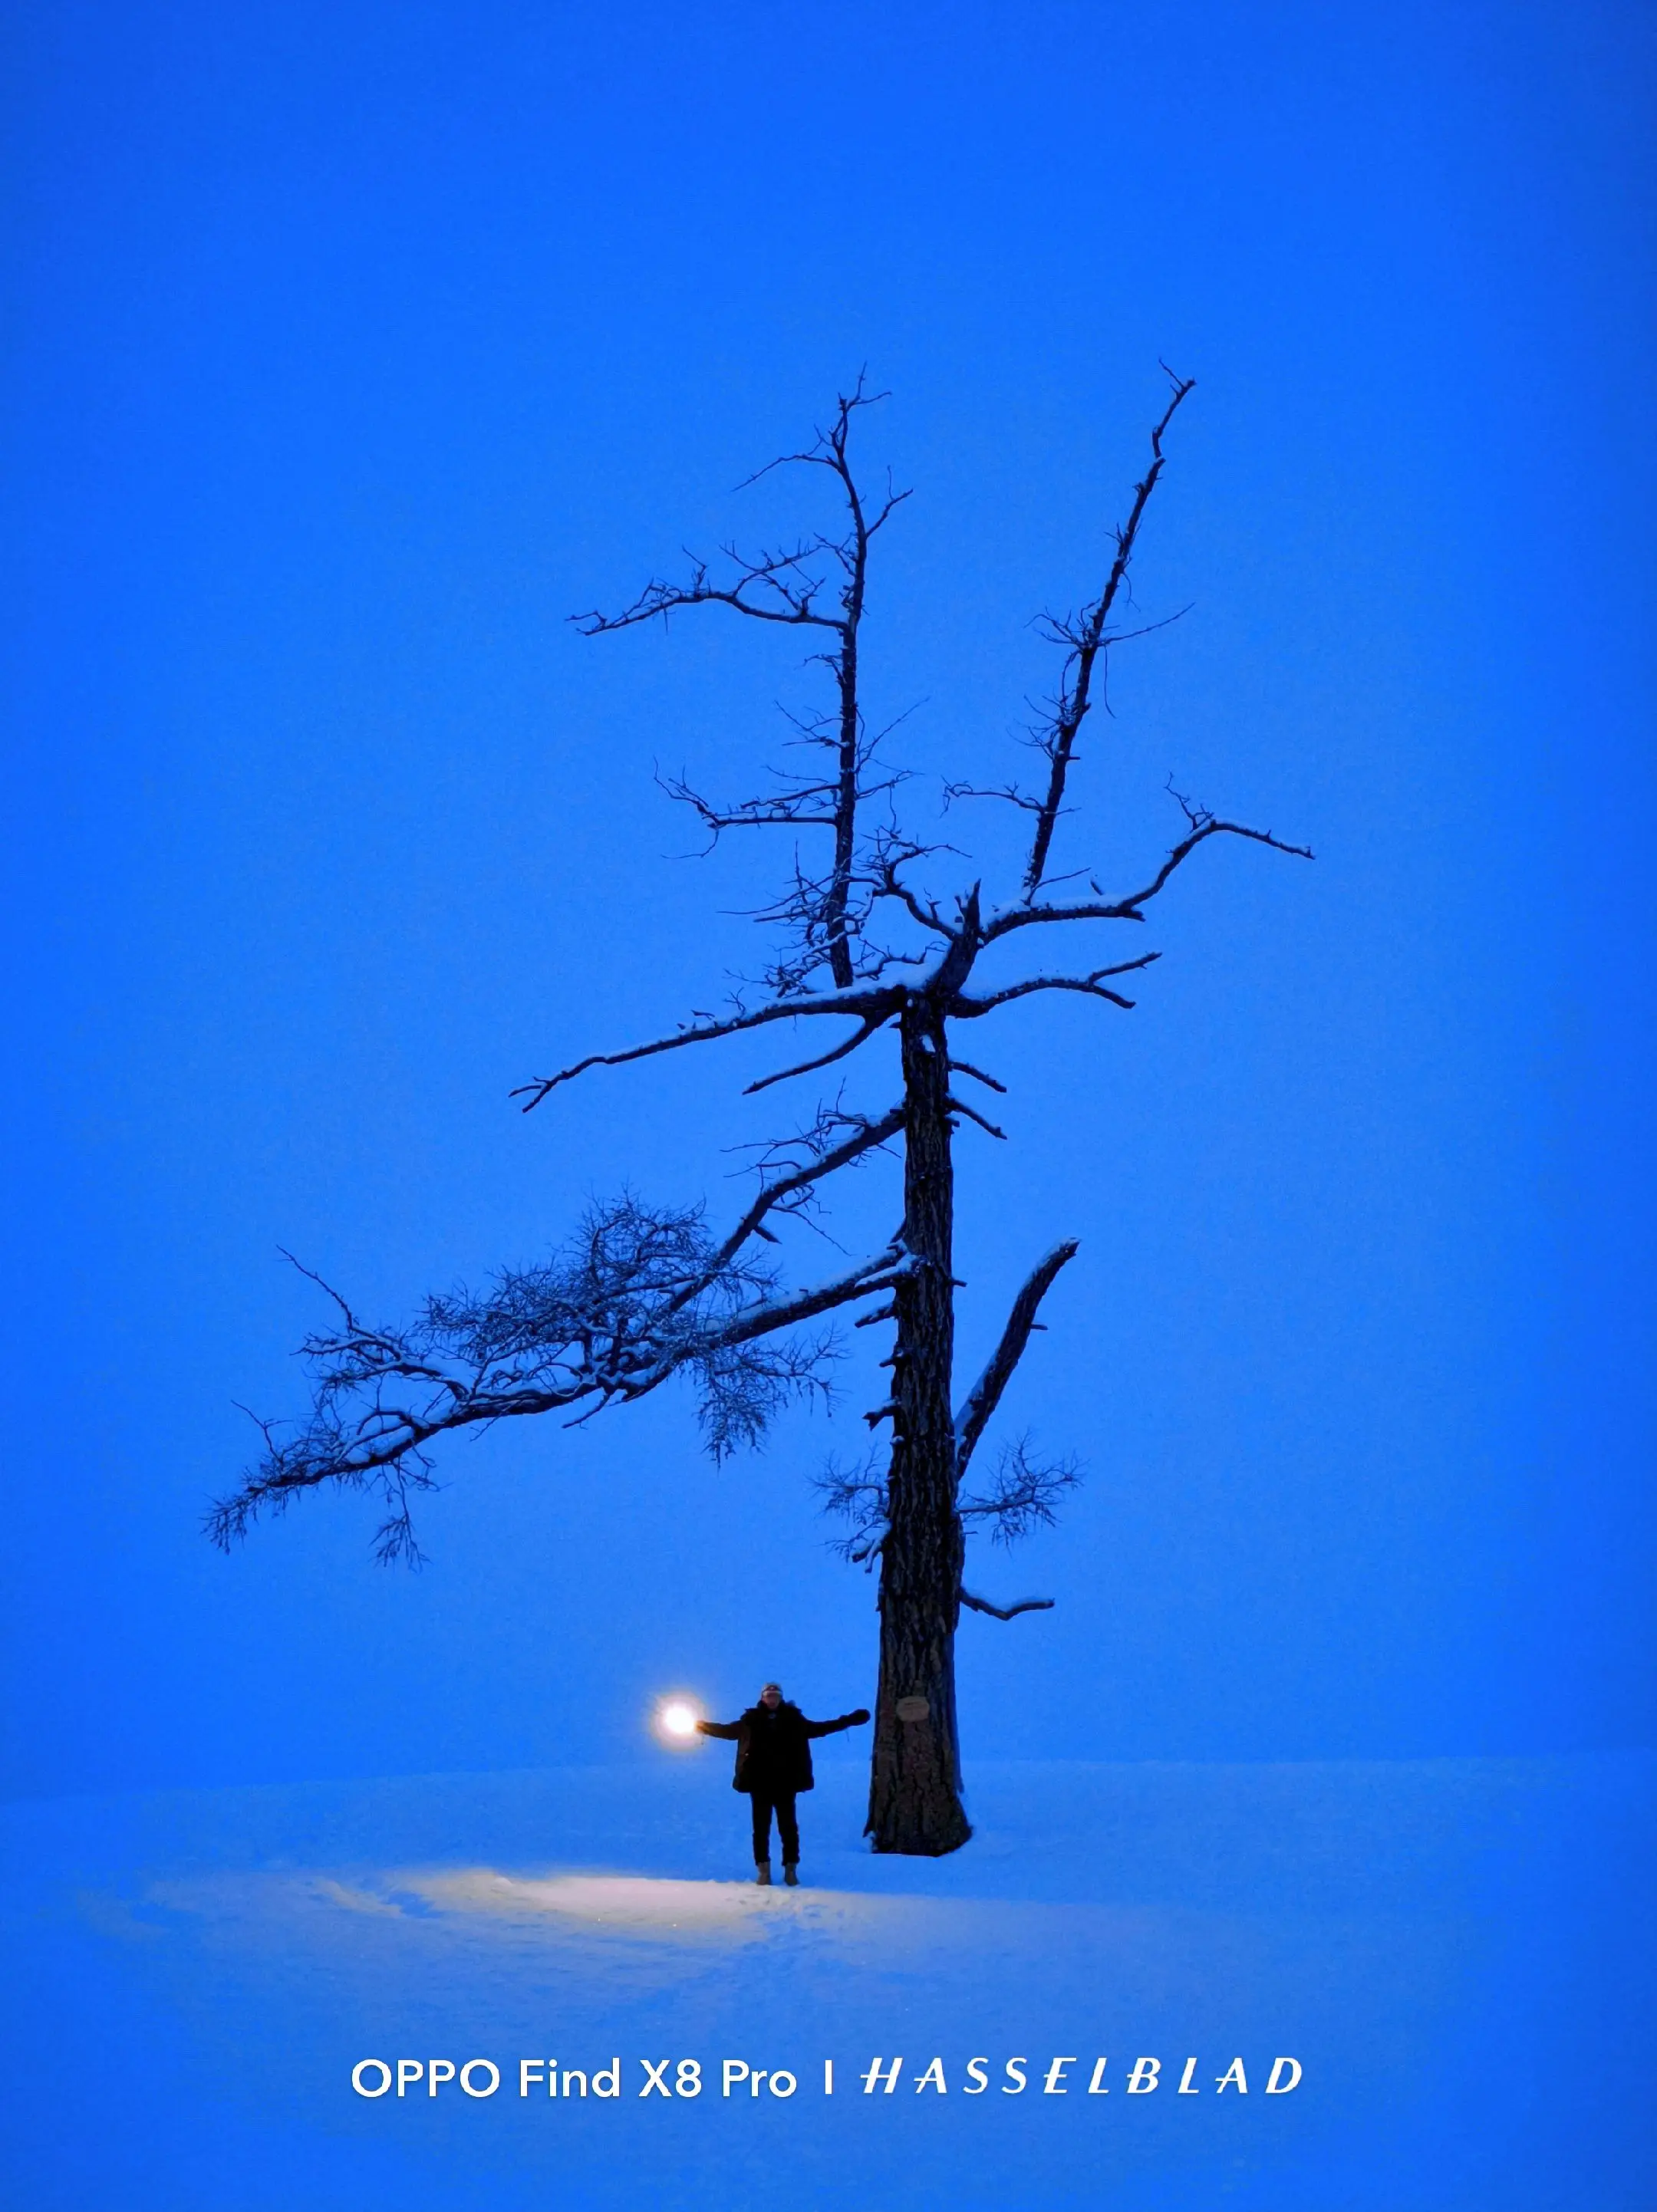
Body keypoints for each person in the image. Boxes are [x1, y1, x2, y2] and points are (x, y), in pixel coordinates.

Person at [697, 1683, 870, 1885]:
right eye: (769, 1696)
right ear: (763, 1698)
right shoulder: (750, 1721)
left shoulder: (794, 1720)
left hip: (786, 1783)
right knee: (761, 1829)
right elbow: (725, 1731)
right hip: (758, 1783)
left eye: (775, 1696)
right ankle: (764, 1871)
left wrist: (848, 1720)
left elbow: (821, 1728)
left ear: (780, 1698)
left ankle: (791, 1869)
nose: (772, 1699)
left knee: (788, 1828)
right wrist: (700, 1726)